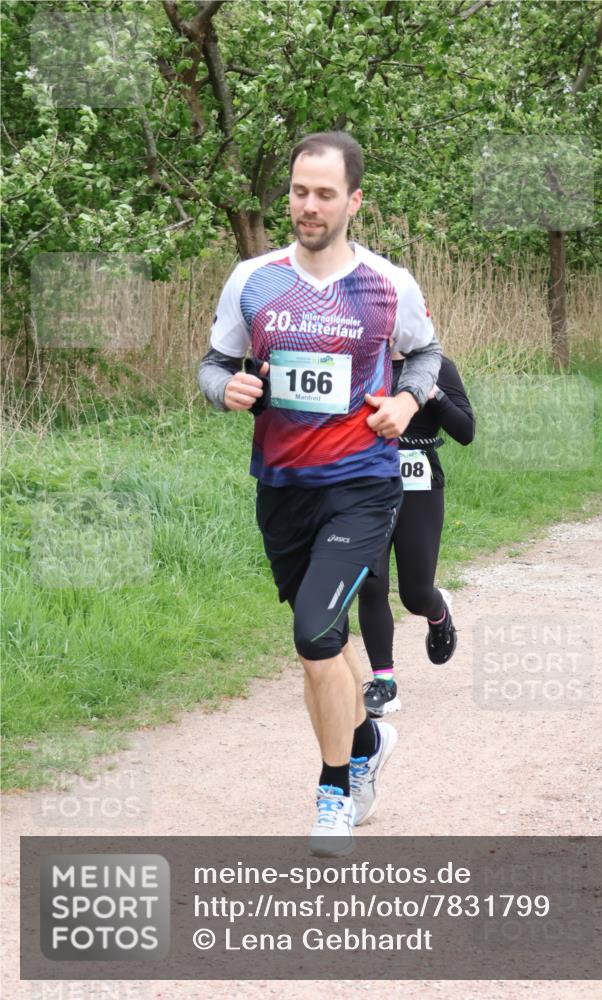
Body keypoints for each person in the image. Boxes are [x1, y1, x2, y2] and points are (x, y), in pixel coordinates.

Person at [198, 131, 442, 855]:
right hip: (281, 489)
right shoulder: (253, 279)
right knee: (325, 638)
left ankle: (335, 787)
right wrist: (227, 390)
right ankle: (369, 736)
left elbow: (424, 353)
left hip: (362, 485)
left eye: (324, 194)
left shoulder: (387, 283)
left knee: (312, 635)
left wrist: (406, 399)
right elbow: (214, 365)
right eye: (299, 192)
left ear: (353, 201)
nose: (307, 206)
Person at [358, 352, 475, 718]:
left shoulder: (437, 365)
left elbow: (466, 432)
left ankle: (438, 611)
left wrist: (433, 393)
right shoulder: (361, 360)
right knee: (372, 582)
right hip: (367, 486)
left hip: (420, 486)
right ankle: (384, 682)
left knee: (415, 594)